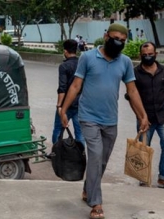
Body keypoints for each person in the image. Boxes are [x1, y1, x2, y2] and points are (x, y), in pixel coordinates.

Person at [59, 23, 149, 219]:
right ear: (106, 36)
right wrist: (63, 110)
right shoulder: (88, 57)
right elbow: (75, 86)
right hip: (88, 117)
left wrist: (143, 115)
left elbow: (132, 90)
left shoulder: (124, 62)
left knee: (102, 161)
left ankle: (87, 189)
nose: (119, 43)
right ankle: (96, 203)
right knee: (96, 156)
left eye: (123, 41)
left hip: (110, 119)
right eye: (116, 38)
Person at [130, 42, 164, 190]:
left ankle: (163, 179)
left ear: (155, 54)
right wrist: (140, 117)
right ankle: (143, 179)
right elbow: (132, 97)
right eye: (145, 55)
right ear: (140, 55)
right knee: (143, 151)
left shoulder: (163, 71)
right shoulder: (135, 73)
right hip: (146, 119)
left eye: (150, 54)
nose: (148, 57)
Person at [51, 39, 85, 146]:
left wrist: (59, 106)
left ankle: (56, 154)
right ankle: (81, 155)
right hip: (80, 103)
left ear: (65, 51)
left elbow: (62, 88)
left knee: (58, 130)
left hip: (66, 104)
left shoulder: (64, 66)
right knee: (79, 133)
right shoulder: (82, 64)